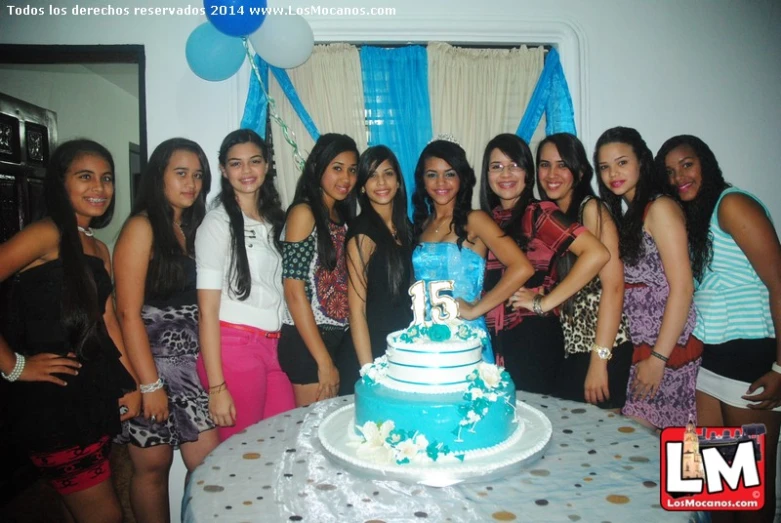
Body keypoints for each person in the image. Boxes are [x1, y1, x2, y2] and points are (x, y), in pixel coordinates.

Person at [0, 139, 139, 523]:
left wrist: (132, 384)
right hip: (52, 403)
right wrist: (14, 365)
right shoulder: (47, 233)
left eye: (106, 178)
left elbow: (107, 321)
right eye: (85, 177)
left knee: (75, 507)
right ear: (61, 183)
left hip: (88, 392)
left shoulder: (97, 248)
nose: (99, 187)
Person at [658, 134, 781, 522]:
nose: (680, 176)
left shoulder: (733, 204)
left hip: (753, 362)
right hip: (711, 363)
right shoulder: (698, 219)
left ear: (706, 163)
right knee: (714, 492)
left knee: (751, 492)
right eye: (670, 172)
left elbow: (779, 282)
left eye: (687, 164)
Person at [113, 138, 218, 522]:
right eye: (181, 173)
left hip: (192, 368)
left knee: (208, 464)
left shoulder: (194, 226)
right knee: (152, 469)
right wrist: (148, 385)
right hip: (150, 365)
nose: (191, 183)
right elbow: (126, 313)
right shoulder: (142, 226)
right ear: (159, 176)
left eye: (198, 175)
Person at [479, 134, 609, 394]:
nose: (505, 174)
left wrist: (544, 302)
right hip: (496, 341)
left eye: (514, 165)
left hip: (532, 339)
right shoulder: (489, 219)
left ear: (528, 172)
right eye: (496, 166)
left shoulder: (538, 213)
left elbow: (596, 254)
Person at [595, 126, 701, 429]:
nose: (612, 173)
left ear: (642, 162)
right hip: (642, 348)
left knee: (668, 457)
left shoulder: (660, 208)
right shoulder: (630, 214)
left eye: (622, 162)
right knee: (646, 460)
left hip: (668, 351)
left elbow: (682, 289)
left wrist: (658, 359)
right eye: (604, 167)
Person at [196, 129, 294, 442]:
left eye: (254, 161)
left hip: (274, 348)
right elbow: (207, 311)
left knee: (280, 446)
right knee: (242, 460)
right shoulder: (217, 222)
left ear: (266, 166)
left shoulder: (275, 220)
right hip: (233, 350)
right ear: (224, 171)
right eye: (236, 164)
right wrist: (217, 386)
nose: (247, 171)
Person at [410, 138, 533, 364]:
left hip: (464, 336)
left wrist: (476, 310)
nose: (441, 182)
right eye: (432, 174)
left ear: (461, 178)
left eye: (449, 173)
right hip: (425, 337)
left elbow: (522, 267)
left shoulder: (475, 220)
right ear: (422, 181)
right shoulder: (422, 225)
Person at [535, 133, 632, 408]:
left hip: (602, 346)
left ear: (578, 172)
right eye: (544, 164)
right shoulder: (551, 216)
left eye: (562, 165)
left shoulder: (590, 208)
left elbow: (614, 287)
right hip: (572, 350)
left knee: (606, 444)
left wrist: (600, 361)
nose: (552, 174)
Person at [278, 133, 358, 405]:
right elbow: (293, 291)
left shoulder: (342, 218)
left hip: (337, 338)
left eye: (352, 170)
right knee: (312, 434)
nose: (345, 178)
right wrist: (323, 361)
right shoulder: (304, 213)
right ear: (318, 167)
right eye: (337, 168)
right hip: (307, 342)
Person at [346, 146, 413, 367]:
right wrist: (368, 370)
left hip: (407, 343)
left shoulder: (407, 228)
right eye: (372, 175)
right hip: (376, 349)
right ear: (363, 186)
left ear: (399, 181)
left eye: (388, 173)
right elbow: (356, 311)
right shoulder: (362, 234)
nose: (381, 182)